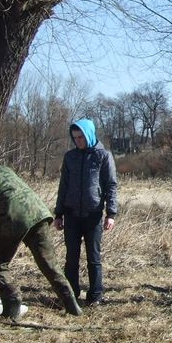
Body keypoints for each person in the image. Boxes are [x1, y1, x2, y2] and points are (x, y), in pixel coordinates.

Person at [0, 161, 83, 319]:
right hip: (38, 213)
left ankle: (12, 305)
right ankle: (72, 305)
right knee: (49, 264)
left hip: (14, 218)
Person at [54, 119, 117, 306]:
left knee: (93, 258)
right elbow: (63, 185)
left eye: (81, 137)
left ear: (89, 134)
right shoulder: (70, 157)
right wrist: (58, 213)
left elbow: (111, 185)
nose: (78, 141)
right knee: (71, 258)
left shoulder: (103, 156)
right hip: (71, 214)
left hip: (94, 214)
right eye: (75, 138)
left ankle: (95, 295)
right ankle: (70, 294)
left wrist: (111, 214)